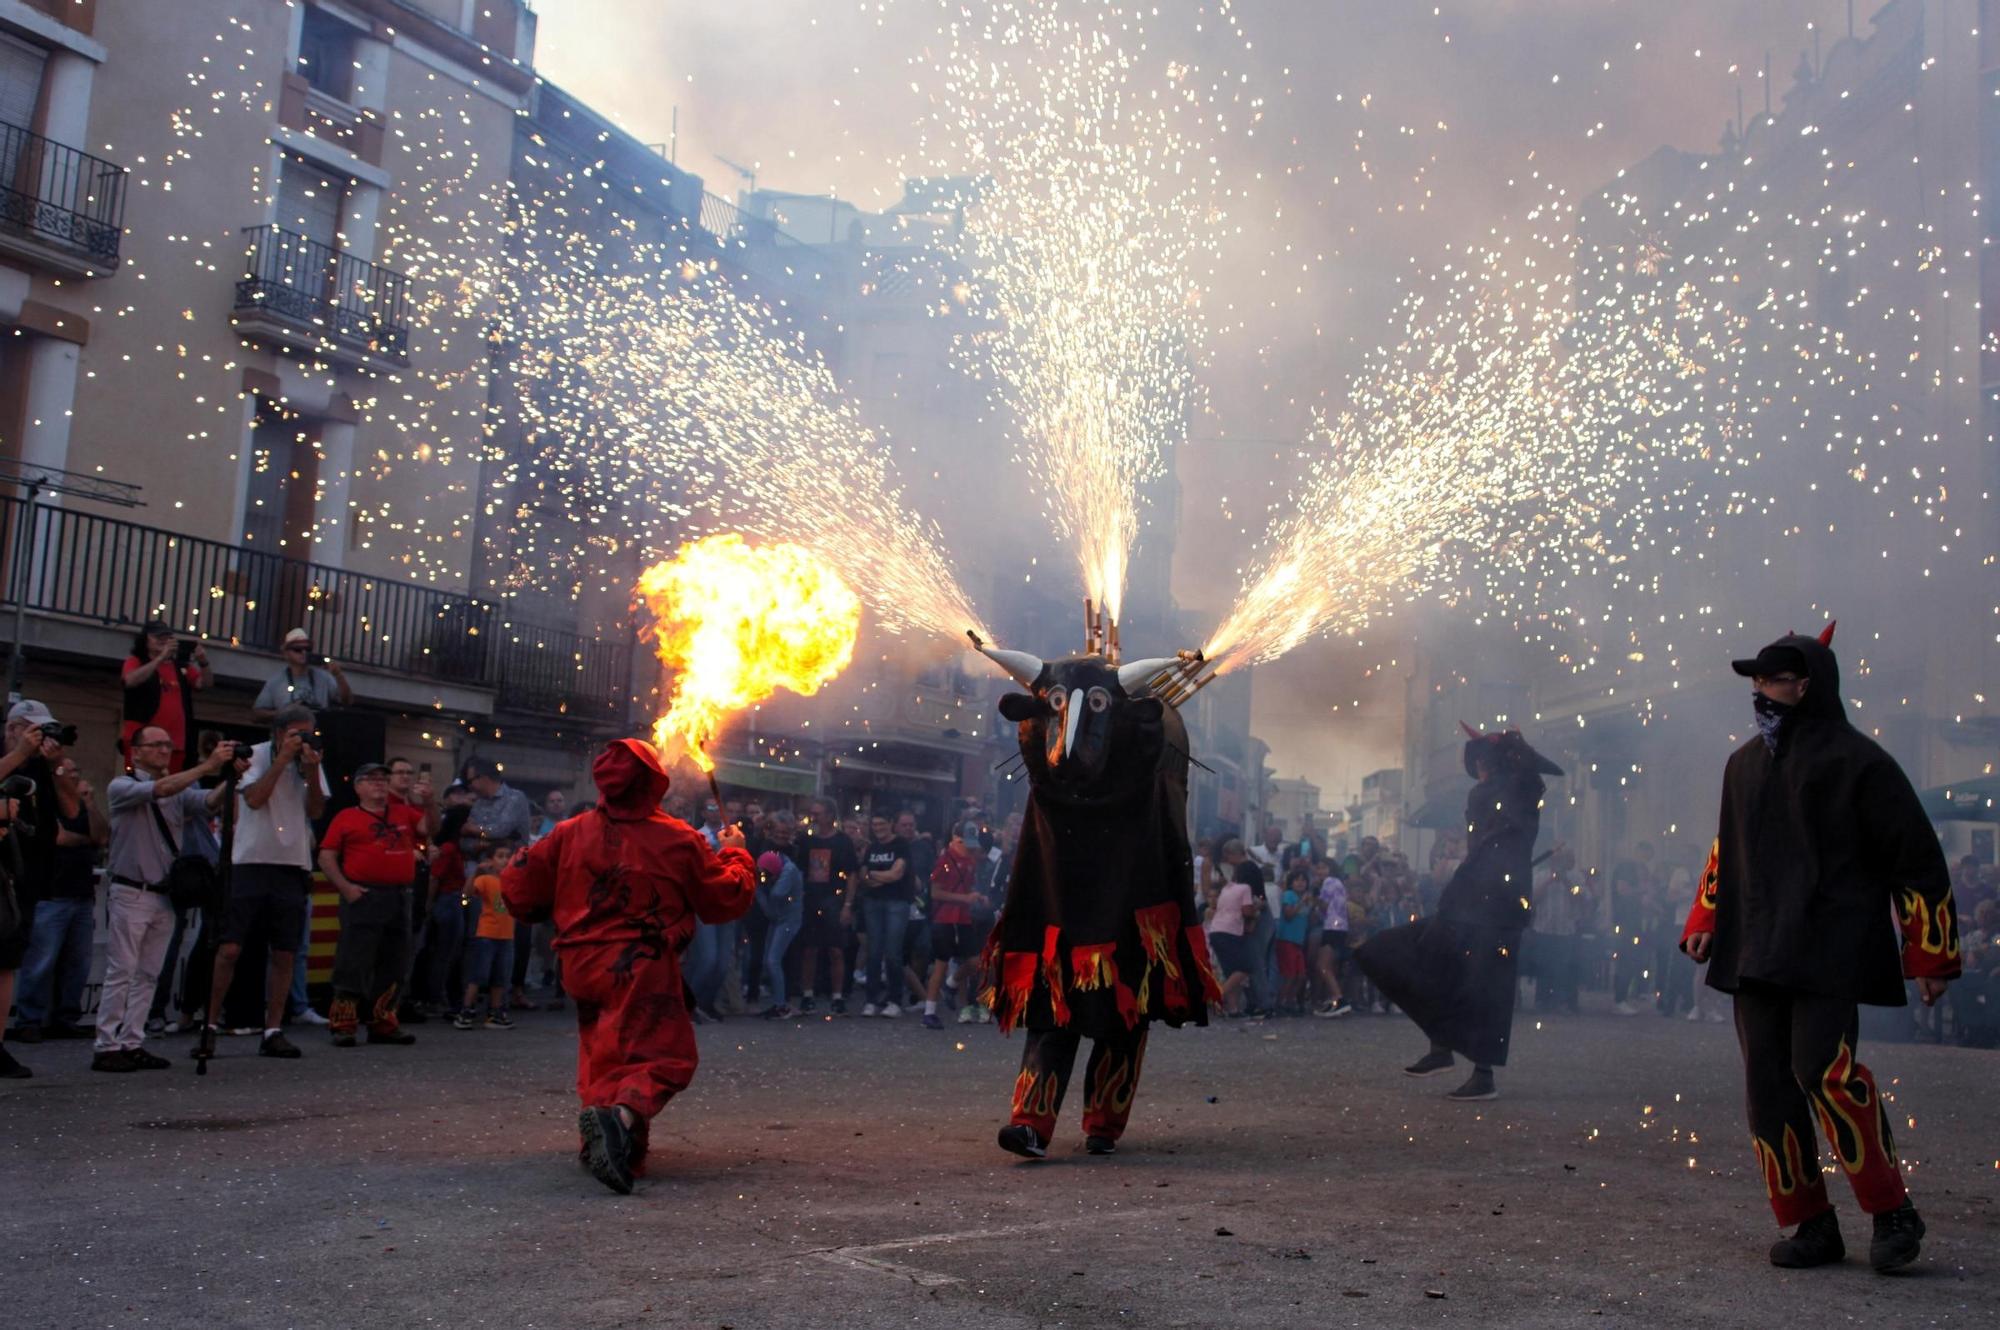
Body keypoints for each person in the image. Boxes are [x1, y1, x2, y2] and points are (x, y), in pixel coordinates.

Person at [1680, 625, 1957, 1273]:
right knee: (1767, 1088)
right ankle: (1810, 1223)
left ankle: (1893, 1211)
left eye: (1771, 679)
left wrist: (1929, 956)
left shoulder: (1860, 762)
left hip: (1828, 944)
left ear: (1807, 685)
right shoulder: (1743, 763)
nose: (1759, 691)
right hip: (1756, 946)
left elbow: (1914, 859)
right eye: (1755, 680)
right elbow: (1728, 848)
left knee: (1823, 1073)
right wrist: (1706, 915)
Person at [502, 738, 754, 1194]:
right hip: (639, 964)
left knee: (604, 1052)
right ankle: (619, 1116)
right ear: (654, 783)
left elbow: (518, 889)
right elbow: (723, 899)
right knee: (666, 1055)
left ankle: (608, 1148)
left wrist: (552, 909)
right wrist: (735, 852)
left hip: (580, 963)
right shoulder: (678, 838)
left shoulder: (569, 831)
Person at [1359, 725, 1563, 1102]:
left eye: (1483, 760)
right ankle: (1441, 1048)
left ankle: (1482, 1075)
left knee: (1488, 988)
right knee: (1434, 964)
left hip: (1496, 909)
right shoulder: (1496, 793)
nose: (1478, 768)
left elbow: (1493, 847)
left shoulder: (1514, 793)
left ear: (1493, 763)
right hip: (1469, 903)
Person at [96, 731, 239, 1071]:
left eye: (167, 745)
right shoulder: (122, 785)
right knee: (122, 971)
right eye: (155, 745)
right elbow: (161, 789)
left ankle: (132, 1040)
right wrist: (208, 765)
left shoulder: (181, 789)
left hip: (164, 893)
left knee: (148, 973)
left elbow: (208, 803)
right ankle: (106, 1044)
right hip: (131, 889)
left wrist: (233, 777)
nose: (163, 750)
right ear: (136, 752)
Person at [195, 705, 327, 1063]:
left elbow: (315, 811)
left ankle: (273, 1030)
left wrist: (312, 771)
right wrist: (282, 760)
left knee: (285, 951)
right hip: (249, 862)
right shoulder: (254, 755)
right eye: (298, 733)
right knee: (231, 948)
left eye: (309, 732)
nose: (304, 739)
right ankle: (209, 1025)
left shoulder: (310, 760)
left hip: (292, 864)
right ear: (280, 732)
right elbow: (254, 799)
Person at [317, 762, 423, 1048]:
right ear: (358, 787)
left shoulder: (403, 812)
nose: (379, 783)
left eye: (382, 778)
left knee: (396, 961)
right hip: (364, 895)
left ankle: (383, 1022)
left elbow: (430, 828)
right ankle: (343, 1023)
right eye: (371, 779)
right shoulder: (346, 817)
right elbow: (326, 856)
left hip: (399, 895)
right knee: (353, 960)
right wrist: (346, 888)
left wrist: (428, 803)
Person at [0, 700, 69, 1077]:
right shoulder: (11, 759)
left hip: (26, 874)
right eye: (32, 730)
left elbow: (69, 812)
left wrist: (56, 766)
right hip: (3, 871)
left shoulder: (42, 767)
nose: (39, 738)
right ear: (12, 729)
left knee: (8, 962)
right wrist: (20, 754)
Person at [12, 756, 102, 1042]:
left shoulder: (79, 804)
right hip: (52, 892)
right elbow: (58, 838)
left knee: (78, 961)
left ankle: (66, 1016)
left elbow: (100, 836)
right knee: (42, 960)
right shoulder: (46, 801)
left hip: (82, 893)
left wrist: (89, 803)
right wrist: (83, 838)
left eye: (76, 772)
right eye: (67, 772)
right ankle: (29, 1019)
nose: (73, 777)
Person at [790, 798, 857, 1015]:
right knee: (810, 948)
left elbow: (852, 875)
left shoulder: (843, 841)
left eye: (818, 813)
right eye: (813, 813)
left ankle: (837, 996)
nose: (814, 817)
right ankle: (808, 994)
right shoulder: (806, 840)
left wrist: (847, 904)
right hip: (811, 899)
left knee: (835, 949)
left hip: (833, 900)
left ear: (830, 815)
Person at [121, 619, 209, 772]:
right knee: (142, 783)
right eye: (157, 637)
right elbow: (130, 681)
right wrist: (160, 658)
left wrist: (204, 663)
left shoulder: (180, 666)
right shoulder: (136, 661)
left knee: (172, 786)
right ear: (145, 639)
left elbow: (204, 684)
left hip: (175, 743)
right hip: (144, 742)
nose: (162, 640)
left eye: (166, 637)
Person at [921, 820, 984, 1029]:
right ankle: (929, 1011)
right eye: (965, 842)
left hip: (963, 918)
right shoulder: (944, 861)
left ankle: (951, 985)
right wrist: (964, 899)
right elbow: (936, 892)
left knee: (976, 961)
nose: (970, 847)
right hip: (944, 918)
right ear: (956, 839)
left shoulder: (971, 861)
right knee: (941, 963)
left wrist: (977, 898)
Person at [854, 813, 910, 1017]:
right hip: (873, 902)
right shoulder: (872, 847)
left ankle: (894, 1000)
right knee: (874, 952)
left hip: (897, 902)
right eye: (875, 824)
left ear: (891, 823)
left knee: (893, 953)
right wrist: (882, 876)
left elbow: (897, 874)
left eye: (882, 823)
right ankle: (871, 1000)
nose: (878, 827)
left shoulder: (901, 845)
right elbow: (863, 875)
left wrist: (874, 875)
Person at [456, 847, 515, 1029]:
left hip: (506, 935)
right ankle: (466, 1009)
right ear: (491, 860)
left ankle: (495, 1012)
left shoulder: (512, 881)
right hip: (487, 934)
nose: (504, 860)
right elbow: (466, 895)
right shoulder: (485, 880)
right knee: (479, 975)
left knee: (500, 976)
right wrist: (475, 873)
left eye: (507, 856)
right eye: (500, 856)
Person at [251, 627, 353, 723]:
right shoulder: (276, 682)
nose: (304, 652)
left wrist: (338, 675)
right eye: (297, 650)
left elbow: (347, 701)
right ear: (286, 653)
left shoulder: (324, 677)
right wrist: (285, 713)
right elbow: (257, 714)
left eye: (307, 649)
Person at [1205, 839, 1260, 1016]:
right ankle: (1216, 996)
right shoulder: (1244, 889)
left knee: (1231, 971)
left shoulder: (1227, 889)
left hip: (1217, 931)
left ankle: (1233, 1008)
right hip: (1230, 932)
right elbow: (1246, 910)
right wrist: (1256, 909)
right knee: (1244, 968)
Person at [753, 845, 803, 1019]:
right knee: (770, 961)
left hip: (788, 920)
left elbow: (777, 894)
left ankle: (781, 1006)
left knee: (773, 961)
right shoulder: (778, 868)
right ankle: (779, 1002)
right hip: (777, 919)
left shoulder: (789, 871)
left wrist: (760, 887)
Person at [1313, 863, 1353, 1018]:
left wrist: (1314, 898)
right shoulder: (1340, 884)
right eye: (1319, 868)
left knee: (1322, 965)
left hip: (1332, 927)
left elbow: (1323, 906)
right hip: (1341, 928)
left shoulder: (1329, 882)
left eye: (1324, 867)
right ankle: (1333, 1000)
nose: (1320, 871)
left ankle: (1339, 998)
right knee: (1330, 965)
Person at [1275, 866, 1313, 1014]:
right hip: (1286, 939)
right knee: (1289, 974)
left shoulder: (1306, 899)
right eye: (1297, 880)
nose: (1301, 883)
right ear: (1291, 882)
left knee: (1301, 975)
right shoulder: (1289, 895)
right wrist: (1301, 903)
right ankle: (1281, 1002)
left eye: (1303, 880)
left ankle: (1290, 1001)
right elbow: (1289, 914)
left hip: (1298, 941)